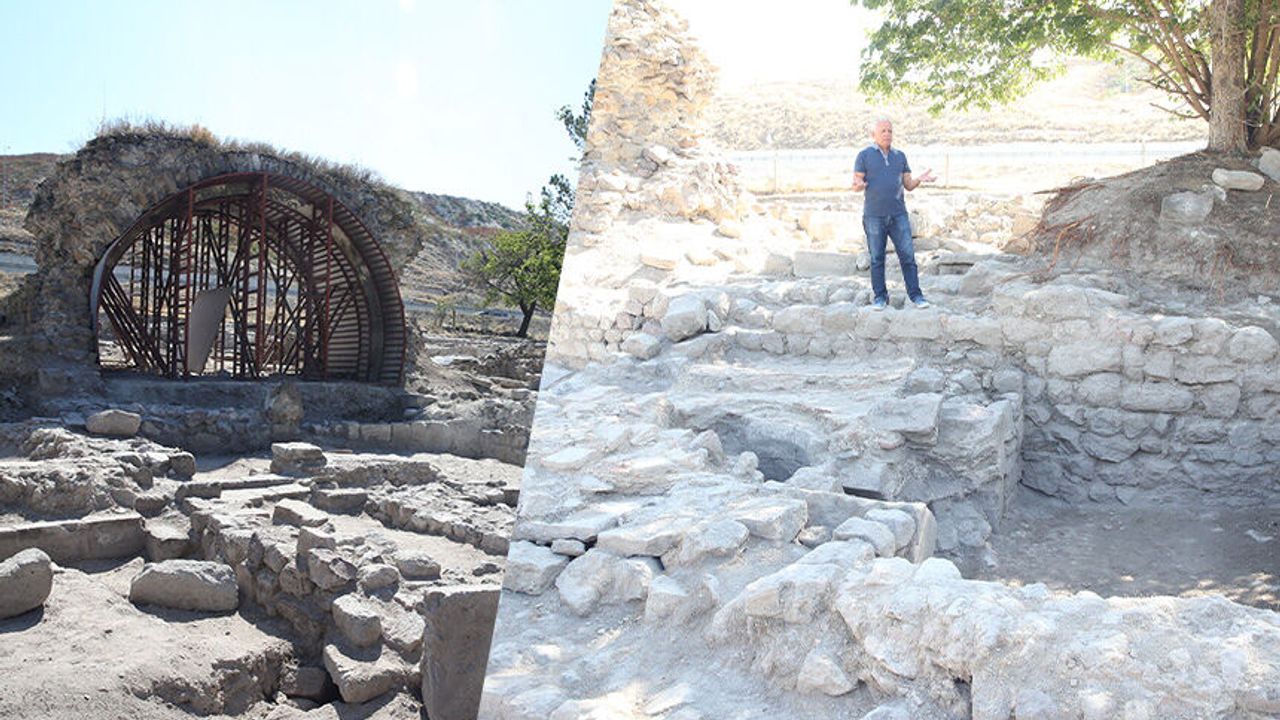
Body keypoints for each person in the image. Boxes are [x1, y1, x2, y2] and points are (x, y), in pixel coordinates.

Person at [852, 118, 936, 309]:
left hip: (899, 215)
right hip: (874, 216)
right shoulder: (864, 155)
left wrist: (920, 179)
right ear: (873, 134)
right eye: (883, 131)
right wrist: (858, 185)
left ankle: (916, 296)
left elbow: (908, 185)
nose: (887, 134)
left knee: (908, 257)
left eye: (890, 131)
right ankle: (880, 298)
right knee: (876, 259)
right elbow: (856, 183)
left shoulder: (900, 156)